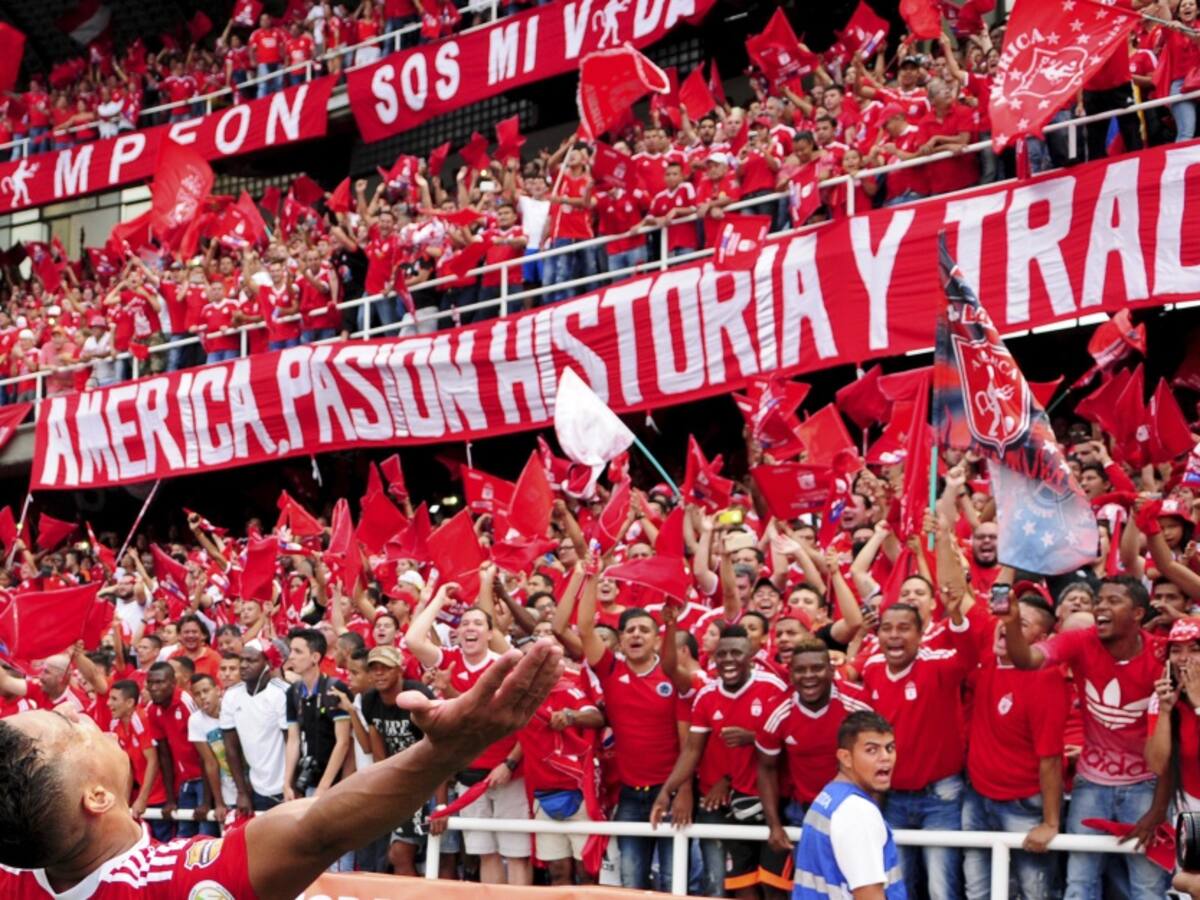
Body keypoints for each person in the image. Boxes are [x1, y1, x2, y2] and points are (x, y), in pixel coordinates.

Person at [0, 640, 564, 898]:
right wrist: (444, 752)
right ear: (96, 797)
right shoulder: (171, 886)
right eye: (69, 729)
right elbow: (318, 828)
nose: (77, 710)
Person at [1004, 574, 1172, 899]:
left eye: (1113, 601)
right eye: (1099, 601)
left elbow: (1171, 746)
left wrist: (1157, 809)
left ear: (1138, 613)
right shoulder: (1081, 640)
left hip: (1146, 786)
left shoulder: (1162, 656)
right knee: (1079, 886)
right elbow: (1026, 660)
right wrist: (1012, 623)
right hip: (1090, 786)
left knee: (1148, 888)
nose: (1100, 608)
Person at [651, 624, 789, 898]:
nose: (728, 660)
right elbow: (692, 750)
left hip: (770, 802)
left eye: (736, 653)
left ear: (750, 655)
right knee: (738, 886)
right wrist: (667, 791)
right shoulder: (707, 695)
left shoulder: (773, 688)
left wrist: (753, 737)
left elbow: (789, 742)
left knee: (774, 888)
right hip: (723, 804)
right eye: (722, 654)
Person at [962, 588, 1067, 899]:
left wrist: (1050, 822)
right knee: (977, 889)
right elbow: (958, 596)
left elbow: (1050, 759)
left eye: (1020, 624)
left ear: (1043, 637)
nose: (1005, 627)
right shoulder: (987, 658)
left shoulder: (1047, 680)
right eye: (1005, 620)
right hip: (977, 796)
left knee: (1033, 890)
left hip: (1023, 804)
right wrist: (941, 537)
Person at [756, 638, 872, 856]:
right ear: (791, 674)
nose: (808, 675)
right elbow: (766, 768)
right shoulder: (777, 711)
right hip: (804, 813)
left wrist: (873, 813)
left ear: (831, 670)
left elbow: (876, 764)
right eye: (800, 670)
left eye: (817, 668)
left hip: (854, 811)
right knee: (811, 885)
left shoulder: (857, 705)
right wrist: (774, 825)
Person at [790, 710, 905, 900]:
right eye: (872, 750)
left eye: (890, 748)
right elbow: (869, 895)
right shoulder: (858, 813)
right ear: (845, 757)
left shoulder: (829, 798)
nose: (885, 757)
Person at [357, 645, 436, 875]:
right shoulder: (369, 699)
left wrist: (440, 803)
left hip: (428, 782)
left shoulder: (418, 696)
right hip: (398, 783)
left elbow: (437, 747)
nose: (379, 673)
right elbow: (378, 751)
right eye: (374, 669)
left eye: (385, 668)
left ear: (399, 670)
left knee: (405, 854)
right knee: (390, 856)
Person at [283, 629, 352, 872]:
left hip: (337, 784)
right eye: (291, 650)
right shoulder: (292, 693)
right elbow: (293, 740)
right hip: (309, 782)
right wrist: (287, 783)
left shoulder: (335, 688)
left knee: (337, 860)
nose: (291, 656)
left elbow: (343, 742)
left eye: (298, 651)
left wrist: (323, 788)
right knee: (312, 859)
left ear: (315, 657)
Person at [220, 639, 289, 814]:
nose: (243, 665)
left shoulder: (282, 693)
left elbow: (292, 743)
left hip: (286, 788)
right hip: (256, 789)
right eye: (241, 660)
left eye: (251, 661)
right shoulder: (231, 695)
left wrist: (291, 785)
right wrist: (242, 792)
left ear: (268, 663)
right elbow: (231, 748)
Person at [144, 662, 213, 839]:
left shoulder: (185, 702)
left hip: (205, 779)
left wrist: (206, 800)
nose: (154, 687)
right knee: (184, 835)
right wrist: (170, 799)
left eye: (159, 682)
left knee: (206, 833)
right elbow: (164, 755)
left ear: (173, 682)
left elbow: (205, 749)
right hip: (185, 782)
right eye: (150, 683)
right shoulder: (152, 709)